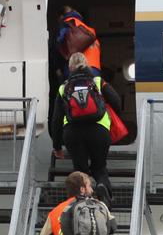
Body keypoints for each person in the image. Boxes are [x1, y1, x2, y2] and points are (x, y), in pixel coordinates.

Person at [51, 52, 123, 203]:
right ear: (87, 64)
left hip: (73, 133)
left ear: (70, 68)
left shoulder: (64, 87)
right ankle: (103, 189)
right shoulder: (97, 81)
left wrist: (57, 146)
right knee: (99, 167)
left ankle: (83, 204)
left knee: (80, 170)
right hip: (99, 130)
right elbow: (117, 102)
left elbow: (56, 119)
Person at [56, 5, 101, 72]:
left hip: (80, 67)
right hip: (95, 65)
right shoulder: (88, 29)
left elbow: (60, 42)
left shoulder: (66, 24)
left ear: (61, 16)